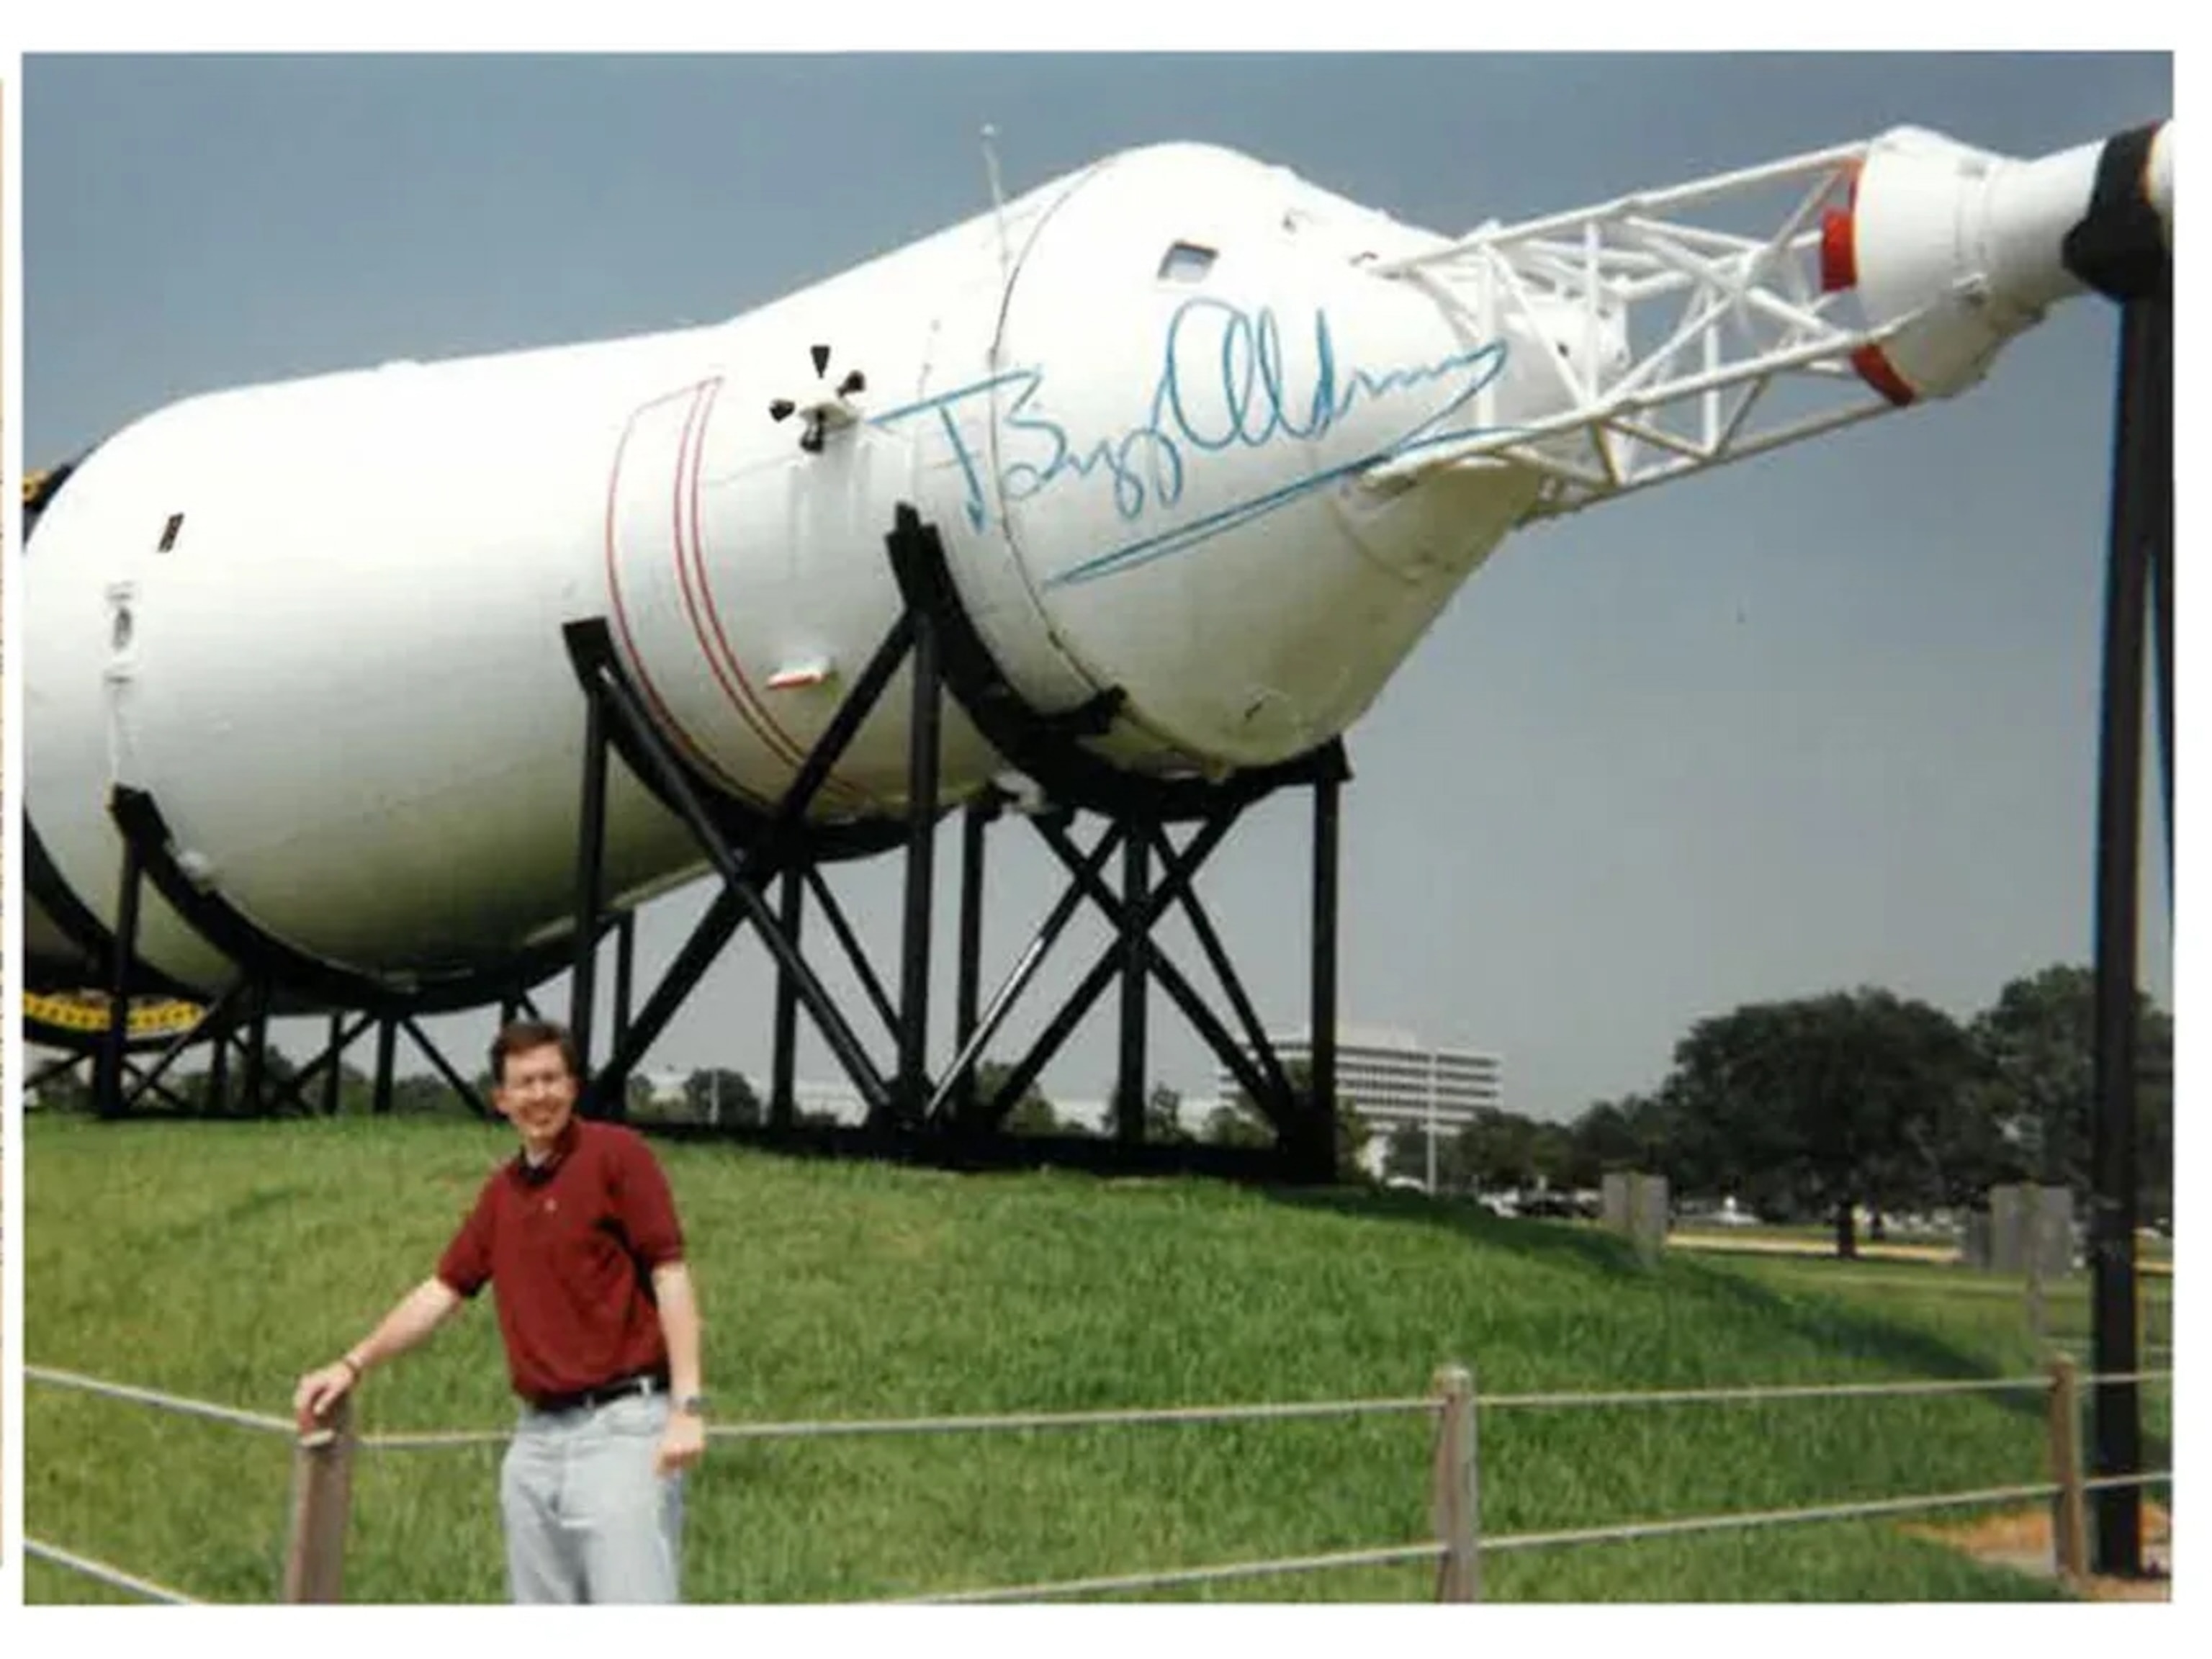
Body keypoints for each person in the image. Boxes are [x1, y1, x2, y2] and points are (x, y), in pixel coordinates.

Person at [293, 1019, 707, 1603]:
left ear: (574, 1085)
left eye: (550, 1079)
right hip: (536, 1439)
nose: (539, 1096)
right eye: (524, 1084)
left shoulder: (618, 1156)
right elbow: (442, 1291)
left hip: (621, 1431)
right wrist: (352, 1363)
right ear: (501, 1100)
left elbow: (670, 1275)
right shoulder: (503, 1195)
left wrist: (687, 1407)